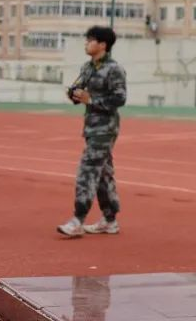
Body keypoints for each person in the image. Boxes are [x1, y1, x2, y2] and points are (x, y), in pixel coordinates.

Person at [56, 26, 127, 237]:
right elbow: (80, 89)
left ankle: (78, 220)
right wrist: (75, 95)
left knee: (88, 170)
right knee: (103, 174)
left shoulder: (114, 69)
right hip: (91, 127)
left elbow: (120, 98)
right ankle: (110, 220)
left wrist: (92, 100)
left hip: (105, 129)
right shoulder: (87, 67)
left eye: (90, 40)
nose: (86, 43)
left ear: (102, 45)